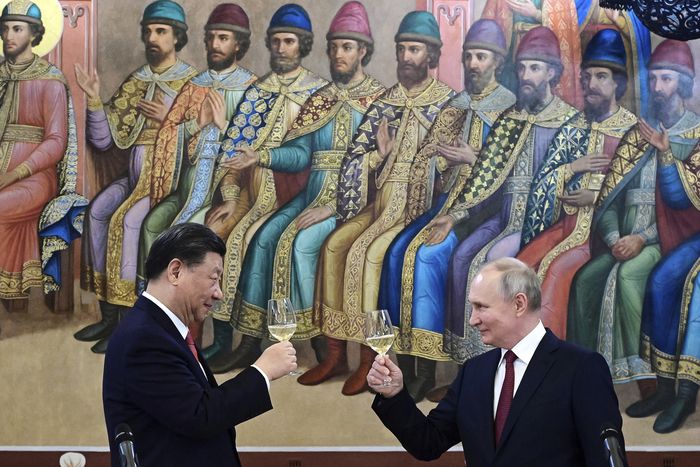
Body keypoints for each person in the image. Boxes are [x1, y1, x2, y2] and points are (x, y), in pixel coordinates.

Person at [227, 1, 385, 366]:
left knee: (300, 244)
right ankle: (250, 339)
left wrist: (333, 208)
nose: (338, 55)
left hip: (355, 203)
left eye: (347, 47)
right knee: (264, 238)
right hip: (311, 196)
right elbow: (300, 155)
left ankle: (321, 345)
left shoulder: (380, 101)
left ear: (363, 51)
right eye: (334, 47)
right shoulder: (321, 100)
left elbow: (382, 167)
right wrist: (261, 157)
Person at [307, 10, 454, 396]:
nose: (406, 57)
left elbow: (452, 168)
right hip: (380, 207)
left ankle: (372, 358)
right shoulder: (387, 102)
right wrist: (380, 155)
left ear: (431, 55)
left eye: (414, 49)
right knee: (334, 246)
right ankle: (336, 354)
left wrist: (435, 165)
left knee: (368, 255)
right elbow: (356, 160)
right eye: (402, 49)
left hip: (417, 209)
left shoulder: (449, 105)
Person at [373, 19, 516, 402]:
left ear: (497, 62)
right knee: (396, 253)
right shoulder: (458, 104)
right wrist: (441, 163)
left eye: (481, 57)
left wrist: (474, 159)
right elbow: (429, 157)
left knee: (427, 256)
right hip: (447, 201)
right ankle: (407, 365)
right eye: (469, 56)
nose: (473, 64)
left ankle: (429, 368)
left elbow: (514, 173)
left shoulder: (510, 108)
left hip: (485, 210)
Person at [369, 257, 624, 467]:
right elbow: (428, 442)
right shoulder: (474, 372)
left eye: (481, 307)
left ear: (519, 304)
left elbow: (603, 458)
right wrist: (394, 395)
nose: (472, 320)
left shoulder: (581, 368)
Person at [103, 223, 297, 467]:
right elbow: (199, 415)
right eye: (214, 279)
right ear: (176, 272)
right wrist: (263, 372)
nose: (219, 294)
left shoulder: (159, 328)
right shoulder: (144, 338)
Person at [201, 3, 328, 371]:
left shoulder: (317, 93)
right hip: (251, 193)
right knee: (216, 232)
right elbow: (233, 151)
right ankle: (222, 339)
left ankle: (251, 340)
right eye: (276, 41)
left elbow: (304, 158)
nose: (281, 48)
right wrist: (229, 196)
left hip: (295, 196)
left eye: (289, 41)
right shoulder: (258, 91)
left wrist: (262, 157)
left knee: (253, 240)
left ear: (302, 45)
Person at [567, 39, 700, 383]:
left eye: (666, 79)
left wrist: (641, 239)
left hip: (667, 242)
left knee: (628, 277)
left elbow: (684, 208)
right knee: (584, 281)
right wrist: (614, 238)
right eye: (653, 79)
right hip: (622, 240)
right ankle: (584, 375)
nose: (657, 88)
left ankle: (648, 379)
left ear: (684, 84)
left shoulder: (697, 135)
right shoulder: (636, 135)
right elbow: (610, 200)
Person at [76, 0, 198, 353]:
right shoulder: (137, 80)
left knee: (128, 221)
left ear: (177, 37)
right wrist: (95, 99)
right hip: (134, 179)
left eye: (160, 31)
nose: (152, 38)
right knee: (98, 212)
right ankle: (108, 314)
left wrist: (169, 121)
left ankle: (129, 321)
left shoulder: (192, 83)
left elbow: (205, 141)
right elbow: (104, 140)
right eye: (148, 31)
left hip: (167, 182)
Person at [516, 28, 637, 339]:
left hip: (602, 236)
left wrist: (595, 198)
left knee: (557, 271)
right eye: (587, 77)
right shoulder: (574, 127)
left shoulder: (633, 132)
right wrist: (571, 169)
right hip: (566, 227)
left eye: (601, 77)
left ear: (618, 83)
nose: (591, 84)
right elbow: (544, 181)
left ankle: (551, 357)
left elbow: (638, 195)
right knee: (520, 268)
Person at [136, 3, 257, 307]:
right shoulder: (194, 86)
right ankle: (155, 306)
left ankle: (186, 309)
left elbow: (256, 147)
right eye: (211, 37)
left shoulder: (252, 89)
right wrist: (197, 124)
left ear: (238, 44)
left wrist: (224, 126)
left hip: (224, 188)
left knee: (187, 238)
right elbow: (168, 133)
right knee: (151, 225)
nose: (214, 45)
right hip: (187, 187)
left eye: (223, 38)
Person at [0, 0, 87, 310]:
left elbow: (55, 142)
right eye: (5, 28)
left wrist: (14, 173)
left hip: (35, 178)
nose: (9, 35)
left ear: (35, 34)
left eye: (17, 28)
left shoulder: (50, 79)